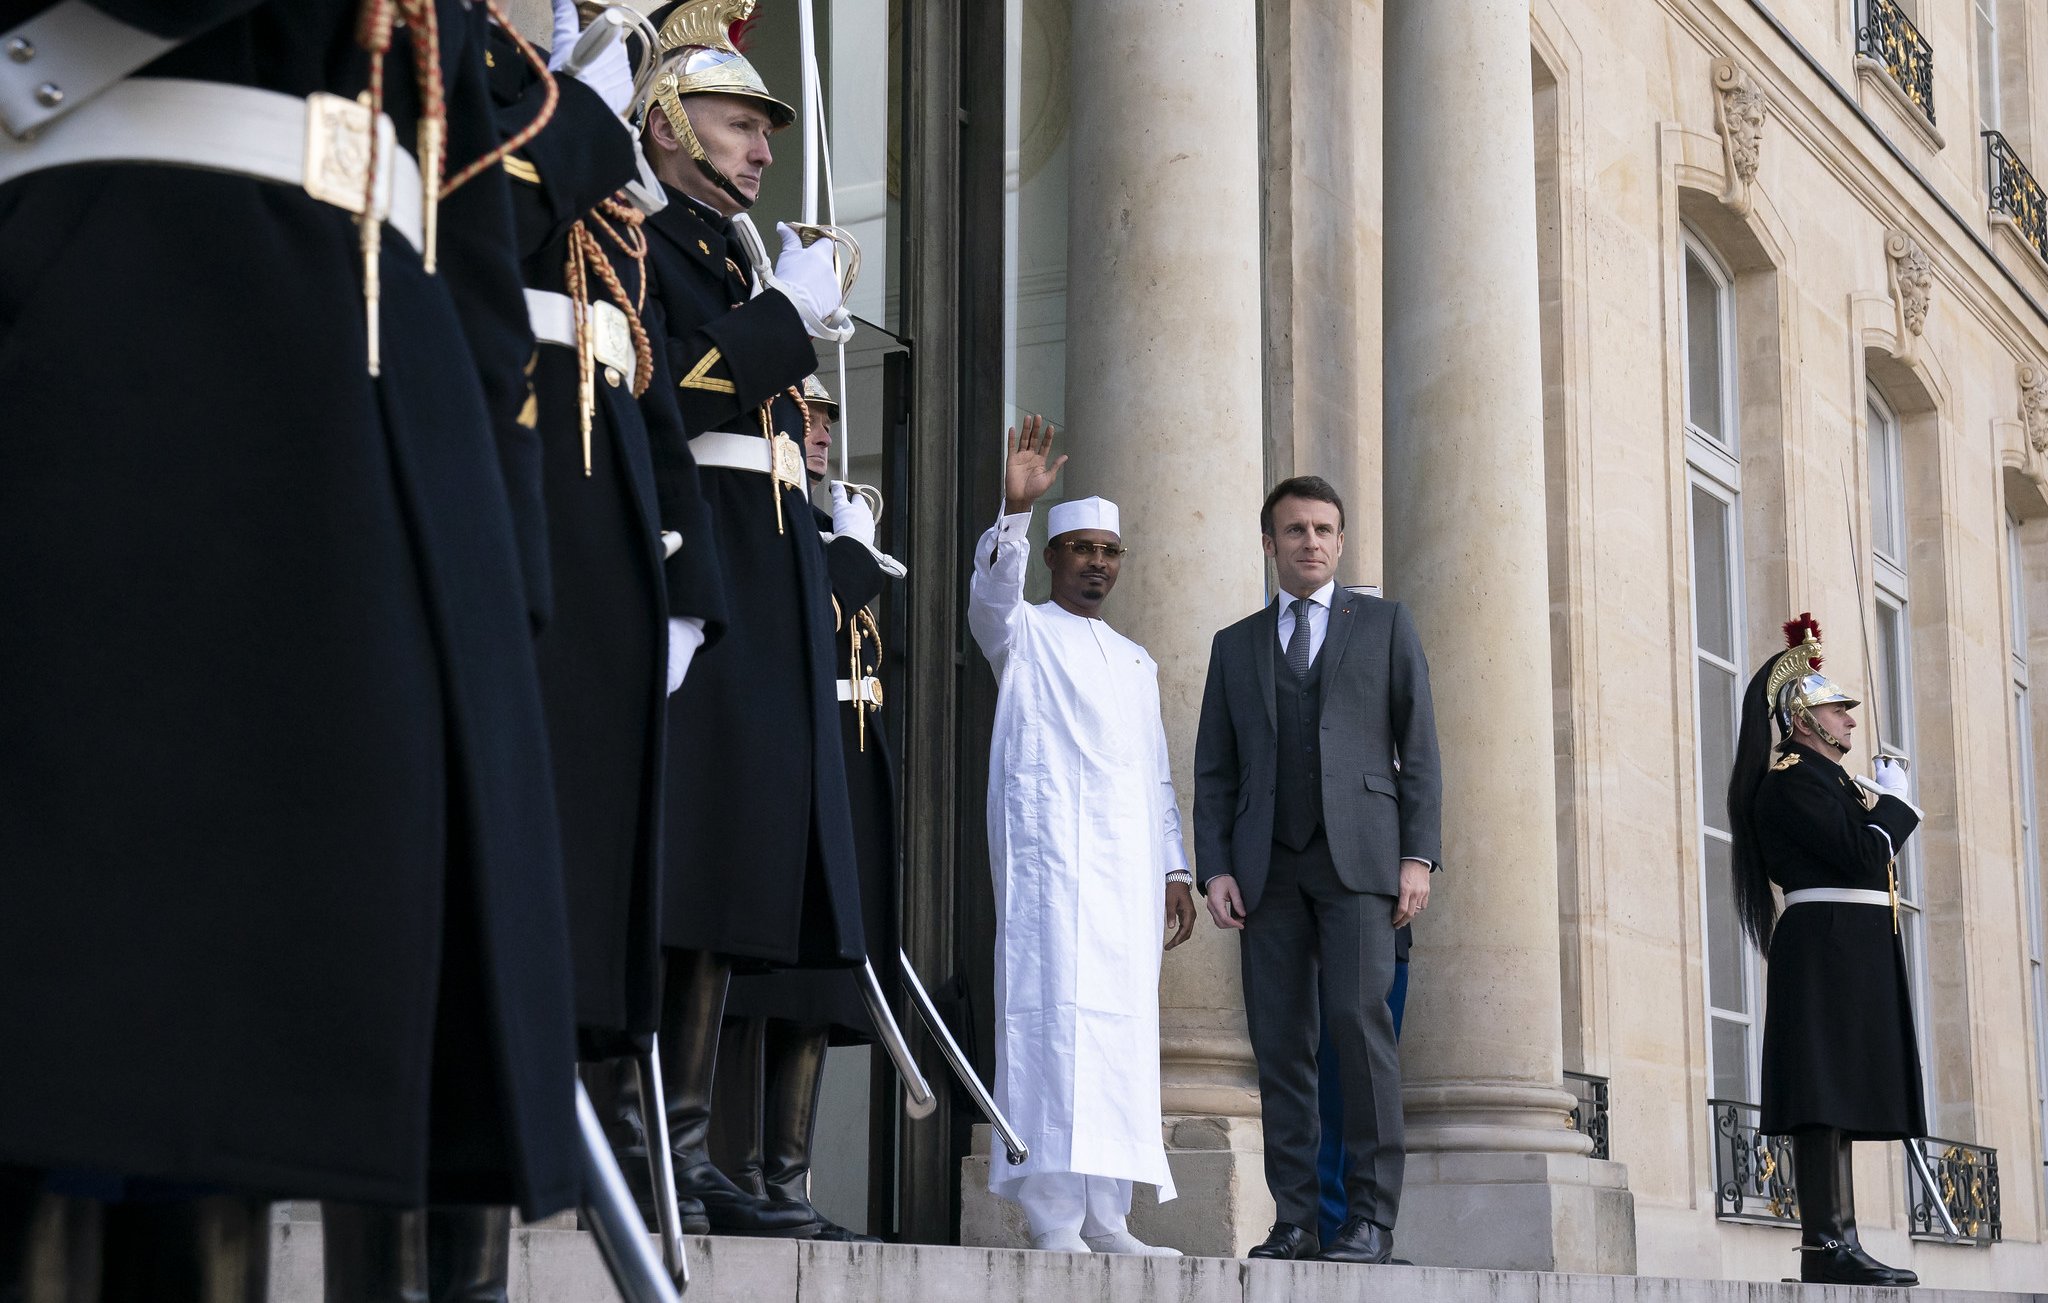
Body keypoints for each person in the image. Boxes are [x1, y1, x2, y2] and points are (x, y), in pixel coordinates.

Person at [0, 3, 580, 1296]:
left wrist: (501, 554)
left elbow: (467, 224)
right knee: (62, 1062)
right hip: (109, 325)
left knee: (252, 1087)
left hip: (372, 408)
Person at [634, 0, 865, 1238]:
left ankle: (691, 1139)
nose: (762, 150)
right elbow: (667, 386)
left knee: (736, 867)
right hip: (702, 560)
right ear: (668, 123)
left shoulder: (732, 255)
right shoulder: (644, 237)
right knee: (688, 855)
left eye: (766, 129)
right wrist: (784, 317)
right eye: (738, 124)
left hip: (766, 570)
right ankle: (653, 1141)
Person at [1192, 475, 1441, 1265]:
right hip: (1267, 869)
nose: (1311, 542)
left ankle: (1368, 1219)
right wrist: (1216, 867)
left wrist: (1418, 854)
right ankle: (1297, 1219)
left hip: (1361, 863)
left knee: (1359, 1030)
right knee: (1280, 1043)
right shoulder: (1234, 645)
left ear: (1340, 541)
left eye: (1324, 529)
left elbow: (1422, 750)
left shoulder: (1387, 625)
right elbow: (1215, 771)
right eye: (1295, 530)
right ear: (1269, 543)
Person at [967, 416, 1196, 1256]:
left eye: (1109, 550)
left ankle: (1110, 1216)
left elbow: (1157, 775)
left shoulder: (1137, 660)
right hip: (1052, 868)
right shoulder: (1022, 635)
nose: (1097, 561)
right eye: (1082, 548)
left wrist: (1175, 865)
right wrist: (1016, 512)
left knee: (1119, 1033)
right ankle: (1055, 1218)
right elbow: (990, 596)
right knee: (1053, 1024)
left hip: (1126, 875)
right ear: (1057, 559)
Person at [714, 376, 902, 1243]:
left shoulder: (826, 529)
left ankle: (787, 1181)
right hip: (784, 774)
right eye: (805, 415)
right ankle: (735, 1172)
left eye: (827, 419)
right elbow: (807, 624)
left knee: (820, 995)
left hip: (845, 778)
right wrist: (854, 557)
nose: (819, 432)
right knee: (758, 993)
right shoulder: (779, 531)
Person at [1727, 615, 1923, 1288]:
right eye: (1839, 709)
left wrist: (1879, 806)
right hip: (1825, 950)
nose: (1850, 722)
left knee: (1837, 1097)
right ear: (1803, 717)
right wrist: (1893, 811)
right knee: (1822, 1096)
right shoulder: (1790, 779)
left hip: (1848, 950)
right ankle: (1823, 1243)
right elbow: (1862, 855)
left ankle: (1842, 1237)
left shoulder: (1829, 781)